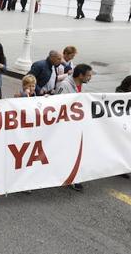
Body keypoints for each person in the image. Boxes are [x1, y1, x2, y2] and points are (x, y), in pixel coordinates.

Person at [54, 63, 93, 191]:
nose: (90, 78)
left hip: (75, 125)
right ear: (80, 75)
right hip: (65, 126)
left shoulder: (80, 85)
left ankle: (73, 177)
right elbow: (56, 104)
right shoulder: (65, 85)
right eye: (88, 75)